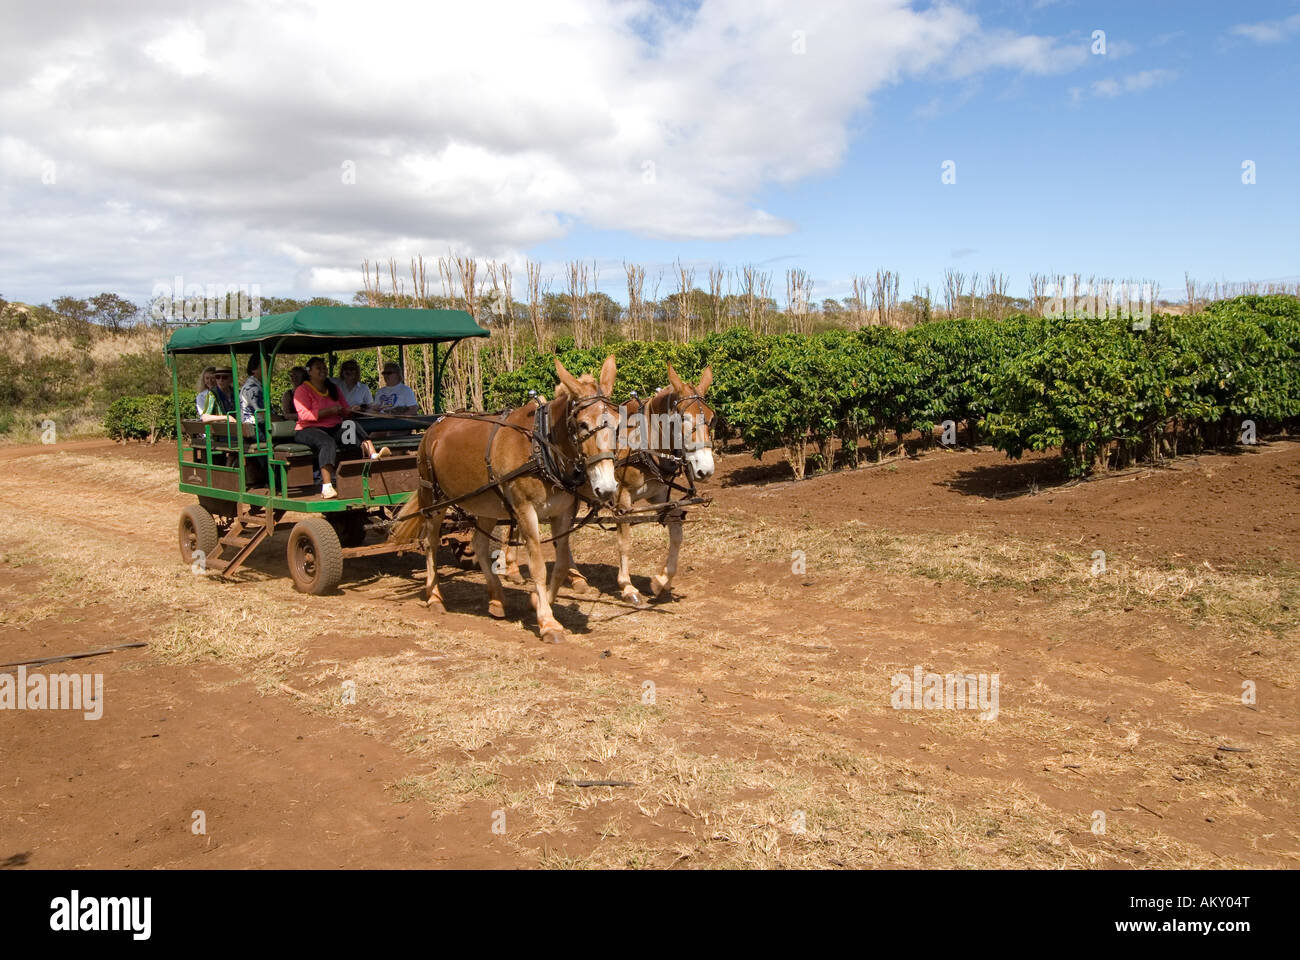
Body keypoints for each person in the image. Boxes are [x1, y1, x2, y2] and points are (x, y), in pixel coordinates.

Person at [294, 356, 389, 499]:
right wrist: (329, 411)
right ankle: (326, 487)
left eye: (324, 367)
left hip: (333, 427)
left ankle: (373, 454)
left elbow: (344, 410)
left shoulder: (333, 388)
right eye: (319, 368)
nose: (323, 370)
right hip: (307, 429)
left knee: (351, 425)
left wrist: (352, 409)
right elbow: (304, 415)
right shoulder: (302, 390)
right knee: (326, 442)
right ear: (309, 371)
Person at [239, 355, 265, 426]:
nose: (269, 370)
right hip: (255, 429)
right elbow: (264, 414)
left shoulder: (258, 385)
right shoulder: (253, 388)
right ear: (253, 369)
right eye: (264, 367)